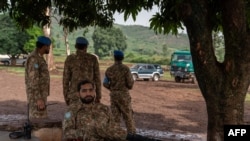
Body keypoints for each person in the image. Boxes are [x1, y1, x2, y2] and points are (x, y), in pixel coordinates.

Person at [62, 79, 161, 141]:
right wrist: (87, 134)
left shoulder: (103, 108)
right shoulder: (71, 111)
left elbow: (114, 129)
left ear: (94, 92)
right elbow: (66, 133)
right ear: (78, 94)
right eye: (84, 91)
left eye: (91, 90)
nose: (88, 93)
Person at [103, 50, 136, 134]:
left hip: (114, 95)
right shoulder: (125, 69)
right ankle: (132, 136)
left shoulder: (109, 70)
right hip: (124, 95)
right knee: (128, 116)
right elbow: (130, 84)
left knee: (115, 117)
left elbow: (105, 83)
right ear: (122, 58)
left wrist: (112, 88)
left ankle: (116, 135)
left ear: (114, 58)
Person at [63, 37, 101, 106]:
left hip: (74, 95)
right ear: (86, 47)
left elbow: (65, 80)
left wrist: (66, 96)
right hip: (89, 95)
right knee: (88, 115)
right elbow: (97, 79)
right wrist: (98, 95)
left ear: (75, 46)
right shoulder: (93, 59)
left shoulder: (70, 59)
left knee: (74, 115)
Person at [25, 36, 51, 119]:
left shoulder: (39, 57)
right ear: (44, 46)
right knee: (37, 121)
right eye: (48, 46)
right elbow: (33, 80)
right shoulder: (34, 59)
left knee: (41, 119)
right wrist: (38, 99)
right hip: (36, 97)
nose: (49, 48)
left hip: (40, 95)